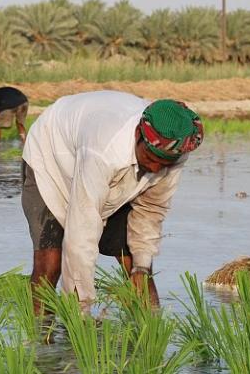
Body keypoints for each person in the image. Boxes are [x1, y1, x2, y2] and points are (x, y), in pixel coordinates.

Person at [21, 91, 203, 313]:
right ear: (138, 134)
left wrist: (142, 266)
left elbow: (151, 210)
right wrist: (82, 314)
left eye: (163, 164)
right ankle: (41, 339)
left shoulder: (175, 150)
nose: (155, 170)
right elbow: (81, 237)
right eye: (151, 159)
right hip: (51, 158)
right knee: (50, 262)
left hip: (113, 173)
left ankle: (149, 330)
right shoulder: (104, 149)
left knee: (136, 267)